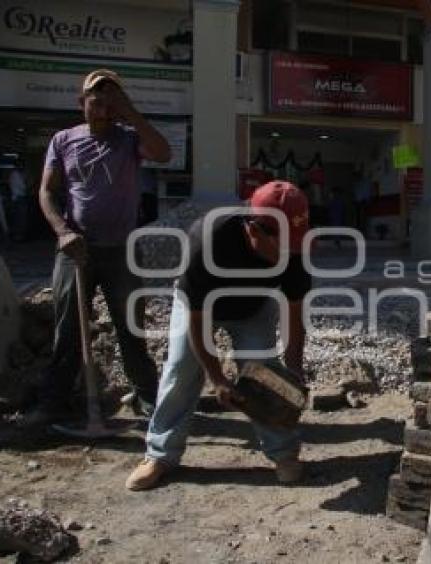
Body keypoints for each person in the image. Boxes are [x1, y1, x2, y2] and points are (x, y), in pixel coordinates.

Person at [125, 181, 311, 491]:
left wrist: (293, 371)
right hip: (201, 306)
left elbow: (295, 315)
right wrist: (218, 379)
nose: (290, 251)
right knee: (181, 369)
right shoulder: (208, 238)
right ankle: (159, 454)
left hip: (254, 306)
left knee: (264, 370)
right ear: (254, 229)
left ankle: (284, 454)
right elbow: (198, 323)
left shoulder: (295, 250)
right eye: (283, 244)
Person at [24, 69, 171, 425]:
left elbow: (163, 153)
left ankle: (148, 400)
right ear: (82, 103)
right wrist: (62, 231)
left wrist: (130, 111)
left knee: (131, 330)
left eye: (112, 101)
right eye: (97, 99)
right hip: (76, 249)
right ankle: (53, 403)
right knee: (69, 329)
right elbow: (46, 192)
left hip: (121, 250)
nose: (104, 107)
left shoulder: (129, 139)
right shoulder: (64, 140)